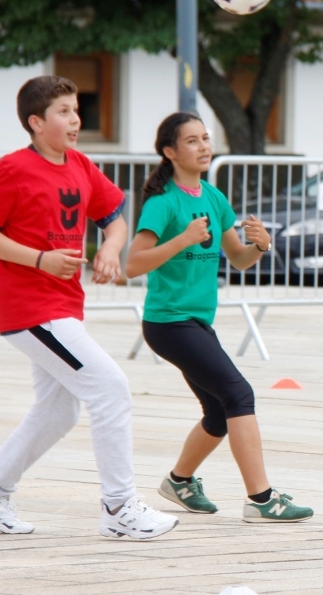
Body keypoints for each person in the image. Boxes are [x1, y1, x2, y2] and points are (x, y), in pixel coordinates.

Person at [0, 75, 178, 540]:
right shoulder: (13, 169)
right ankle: (119, 509)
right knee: (111, 388)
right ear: (36, 123)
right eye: (63, 112)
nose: (75, 120)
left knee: (60, 411)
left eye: (77, 110)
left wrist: (111, 248)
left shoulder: (80, 164)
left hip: (63, 305)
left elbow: (114, 218)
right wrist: (40, 259)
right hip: (30, 308)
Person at [125, 112, 313, 523]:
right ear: (170, 152)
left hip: (196, 323)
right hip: (167, 322)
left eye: (206, 138)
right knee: (238, 396)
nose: (204, 146)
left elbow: (239, 258)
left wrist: (261, 246)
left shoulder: (213, 196)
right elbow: (133, 265)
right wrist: (183, 239)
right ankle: (262, 499)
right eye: (192, 141)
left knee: (217, 412)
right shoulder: (162, 203)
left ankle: (179, 481)